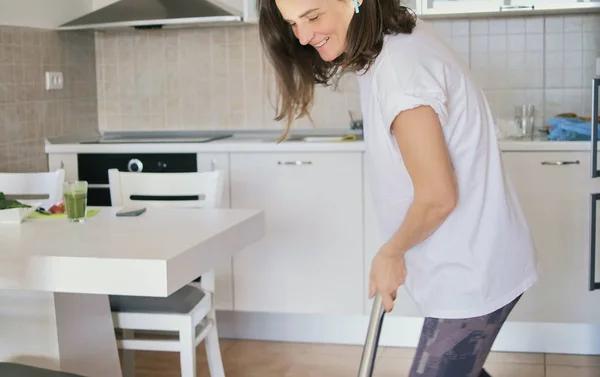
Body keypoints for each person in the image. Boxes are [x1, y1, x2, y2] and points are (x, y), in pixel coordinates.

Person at [255, 0, 539, 375]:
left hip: (472, 269)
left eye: (313, 16)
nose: (304, 36)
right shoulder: (392, 42)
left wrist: (392, 252)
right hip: (469, 257)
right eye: (293, 24)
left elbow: (438, 195)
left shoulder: (400, 69)